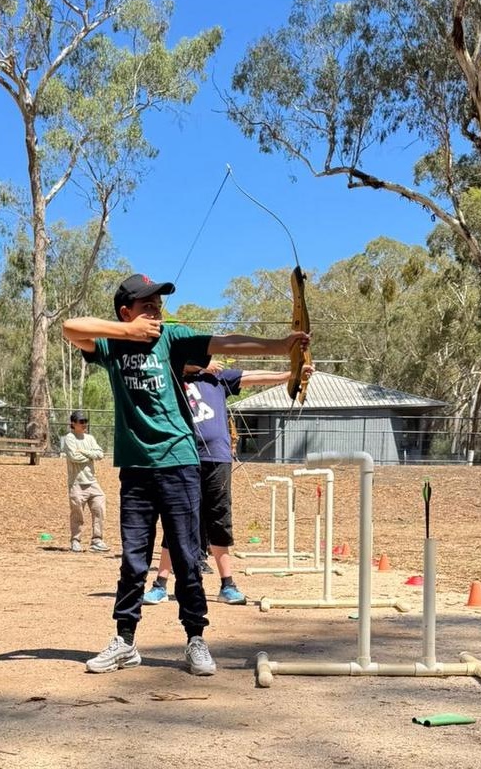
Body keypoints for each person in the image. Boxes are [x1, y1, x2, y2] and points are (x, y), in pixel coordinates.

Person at [62, 272, 310, 677]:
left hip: (179, 463)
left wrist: (279, 346)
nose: (157, 311)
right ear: (127, 312)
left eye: (159, 304)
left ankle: (195, 639)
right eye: (148, 305)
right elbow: (71, 328)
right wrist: (128, 330)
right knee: (134, 560)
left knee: (186, 557)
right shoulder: (111, 344)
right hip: (136, 469)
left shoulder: (172, 339)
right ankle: (125, 641)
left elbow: (225, 343)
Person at [144, 360, 314, 605]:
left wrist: (292, 374)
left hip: (217, 458)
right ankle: (160, 584)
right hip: (182, 456)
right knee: (176, 519)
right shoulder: (171, 375)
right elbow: (170, 361)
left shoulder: (219, 378)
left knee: (219, 519)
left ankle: (228, 585)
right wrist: (200, 365)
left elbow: (255, 375)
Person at [63, 410, 109, 554]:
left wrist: (85, 453)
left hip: (92, 482)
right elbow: (73, 457)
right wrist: (90, 456)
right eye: (81, 422)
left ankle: (97, 540)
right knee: (77, 514)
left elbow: (100, 454)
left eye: (85, 421)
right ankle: (75, 541)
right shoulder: (69, 438)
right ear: (73, 423)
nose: (84, 424)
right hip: (77, 483)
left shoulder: (90, 438)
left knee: (99, 509)